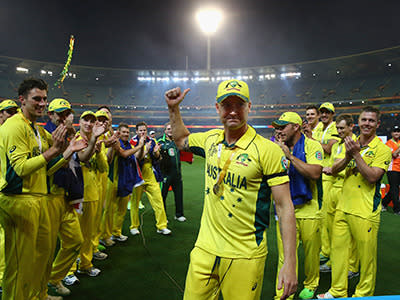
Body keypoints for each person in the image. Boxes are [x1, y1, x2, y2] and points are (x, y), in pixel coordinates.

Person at [164, 79, 297, 300]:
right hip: (204, 250)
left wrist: (290, 264)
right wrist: (173, 108)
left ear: (249, 107)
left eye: (239, 105)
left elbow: (284, 207)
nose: (233, 111)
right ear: (217, 108)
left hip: (245, 255)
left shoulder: (268, 151)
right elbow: (181, 139)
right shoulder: (211, 139)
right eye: (227, 105)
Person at [0, 78, 67, 300]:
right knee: (19, 265)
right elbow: (19, 168)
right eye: (36, 99)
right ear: (22, 100)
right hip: (18, 200)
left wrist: (67, 148)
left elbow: (46, 166)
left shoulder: (35, 128)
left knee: (42, 256)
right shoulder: (14, 126)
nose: (42, 103)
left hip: (38, 198)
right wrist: (54, 150)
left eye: (45, 99)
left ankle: (38, 295)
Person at [318, 106, 392, 298]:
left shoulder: (382, 149)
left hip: (365, 210)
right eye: (364, 120)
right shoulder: (350, 143)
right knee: (339, 252)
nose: (367, 123)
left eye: (371, 121)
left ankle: (363, 294)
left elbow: (373, 177)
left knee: (366, 259)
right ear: (358, 122)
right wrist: (348, 156)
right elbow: (335, 170)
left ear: (377, 124)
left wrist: (356, 155)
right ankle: (337, 290)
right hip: (343, 206)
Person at [273, 112, 323, 300]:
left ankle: (311, 284)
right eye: (277, 127)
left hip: (309, 209)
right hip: (284, 210)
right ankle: (282, 294)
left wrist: (290, 156)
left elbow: (316, 172)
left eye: (282, 126)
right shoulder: (275, 146)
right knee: (285, 256)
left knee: (311, 254)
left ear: (295, 127)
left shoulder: (312, 145)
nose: (278, 130)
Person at [44, 98, 87, 298]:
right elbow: (50, 166)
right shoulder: (47, 134)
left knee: (75, 241)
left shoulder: (68, 135)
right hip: (50, 196)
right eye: (59, 113)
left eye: (66, 113)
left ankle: (53, 278)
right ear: (50, 115)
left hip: (65, 197)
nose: (63, 117)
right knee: (45, 249)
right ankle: (40, 290)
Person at [319, 114, 359, 276]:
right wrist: (334, 168)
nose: (340, 131)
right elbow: (330, 167)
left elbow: (336, 167)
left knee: (349, 231)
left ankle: (351, 265)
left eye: (343, 128)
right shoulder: (338, 145)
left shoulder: (356, 144)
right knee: (332, 228)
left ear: (351, 127)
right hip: (333, 188)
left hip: (347, 188)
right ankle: (334, 260)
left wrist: (334, 167)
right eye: (338, 128)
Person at [129, 122, 171, 235]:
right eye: (140, 130)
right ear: (136, 131)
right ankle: (134, 226)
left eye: (144, 130)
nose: (143, 132)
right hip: (137, 174)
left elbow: (158, 158)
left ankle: (161, 226)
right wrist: (145, 149)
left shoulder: (152, 141)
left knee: (158, 199)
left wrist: (156, 152)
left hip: (150, 173)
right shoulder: (132, 142)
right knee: (135, 202)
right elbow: (135, 158)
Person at [312, 102, 339, 264]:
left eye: (327, 112)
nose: (323, 115)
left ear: (332, 114)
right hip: (320, 175)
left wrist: (312, 142)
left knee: (328, 216)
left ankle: (330, 251)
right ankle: (325, 249)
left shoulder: (335, 128)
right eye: (321, 112)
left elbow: (329, 148)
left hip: (329, 176)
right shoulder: (320, 128)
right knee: (321, 215)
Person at [0, 99, 19, 294]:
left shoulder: (14, 134)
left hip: (6, 192)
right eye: (8, 112)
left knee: (6, 237)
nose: (12, 115)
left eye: (14, 111)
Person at [158, 122, 186, 222]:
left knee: (179, 195)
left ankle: (179, 214)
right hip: (165, 174)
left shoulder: (177, 141)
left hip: (177, 174)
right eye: (168, 129)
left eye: (172, 129)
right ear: (165, 130)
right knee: (162, 196)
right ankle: (163, 217)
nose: (170, 130)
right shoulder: (160, 141)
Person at [381, 125, 400, 215]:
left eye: (398, 131)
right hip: (392, 168)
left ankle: (384, 203)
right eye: (395, 131)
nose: (397, 133)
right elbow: (394, 155)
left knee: (394, 188)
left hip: (399, 168)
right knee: (395, 188)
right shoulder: (388, 143)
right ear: (392, 133)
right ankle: (397, 209)